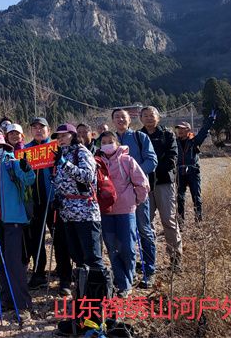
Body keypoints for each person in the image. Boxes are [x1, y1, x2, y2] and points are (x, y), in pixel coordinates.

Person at [51, 124, 111, 336]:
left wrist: (64, 164)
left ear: (73, 135)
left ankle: (99, 317)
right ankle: (83, 315)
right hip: (68, 214)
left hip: (86, 214)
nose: (60, 139)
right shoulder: (61, 155)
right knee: (79, 262)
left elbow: (87, 176)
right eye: (58, 136)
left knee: (93, 262)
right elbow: (61, 182)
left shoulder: (81, 152)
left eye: (64, 135)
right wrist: (58, 197)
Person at [0, 134, 36, 320]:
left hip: (13, 220)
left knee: (14, 262)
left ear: (4, 148)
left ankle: (23, 304)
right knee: (1, 261)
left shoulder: (11, 163)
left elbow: (29, 179)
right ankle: (7, 299)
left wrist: (26, 168)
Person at [97, 131, 149, 297]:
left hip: (126, 210)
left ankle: (128, 277)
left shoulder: (127, 160)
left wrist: (135, 200)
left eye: (110, 141)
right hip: (106, 211)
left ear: (117, 143)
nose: (107, 144)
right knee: (112, 248)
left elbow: (142, 183)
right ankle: (122, 283)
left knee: (127, 247)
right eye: (104, 142)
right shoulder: (96, 162)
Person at [24, 117, 72, 295]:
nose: (38, 130)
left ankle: (65, 277)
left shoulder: (56, 148)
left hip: (54, 201)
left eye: (41, 127)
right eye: (34, 127)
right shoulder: (26, 150)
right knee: (35, 240)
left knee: (60, 240)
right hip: (34, 202)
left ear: (48, 130)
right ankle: (39, 273)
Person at [112, 108, 158, 288]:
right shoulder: (108, 140)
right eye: (116, 117)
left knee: (143, 229)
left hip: (137, 191)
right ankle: (126, 272)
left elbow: (152, 160)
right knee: (122, 234)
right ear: (113, 121)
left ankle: (149, 270)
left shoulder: (140, 137)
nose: (120, 120)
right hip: (117, 196)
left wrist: (134, 176)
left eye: (123, 117)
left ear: (130, 120)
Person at [140, 106, 182, 270]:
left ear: (158, 117)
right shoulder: (138, 136)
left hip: (164, 182)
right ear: (141, 118)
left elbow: (172, 158)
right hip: (144, 184)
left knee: (168, 220)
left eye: (152, 115)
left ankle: (175, 259)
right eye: (145, 115)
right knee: (145, 222)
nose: (149, 118)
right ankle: (149, 260)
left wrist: (152, 168)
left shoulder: (167, 134)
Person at [175, 111, 216, 224]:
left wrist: (211, 119)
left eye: (183, 128)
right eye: (178, 129)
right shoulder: (174, 142)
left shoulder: (194, 141)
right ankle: (180, 222)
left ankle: (198, 221)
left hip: (193, 172)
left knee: (196, 197)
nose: (180, 130)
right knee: (180, 198)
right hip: (180, 173)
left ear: (188, 130)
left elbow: (204, 131)